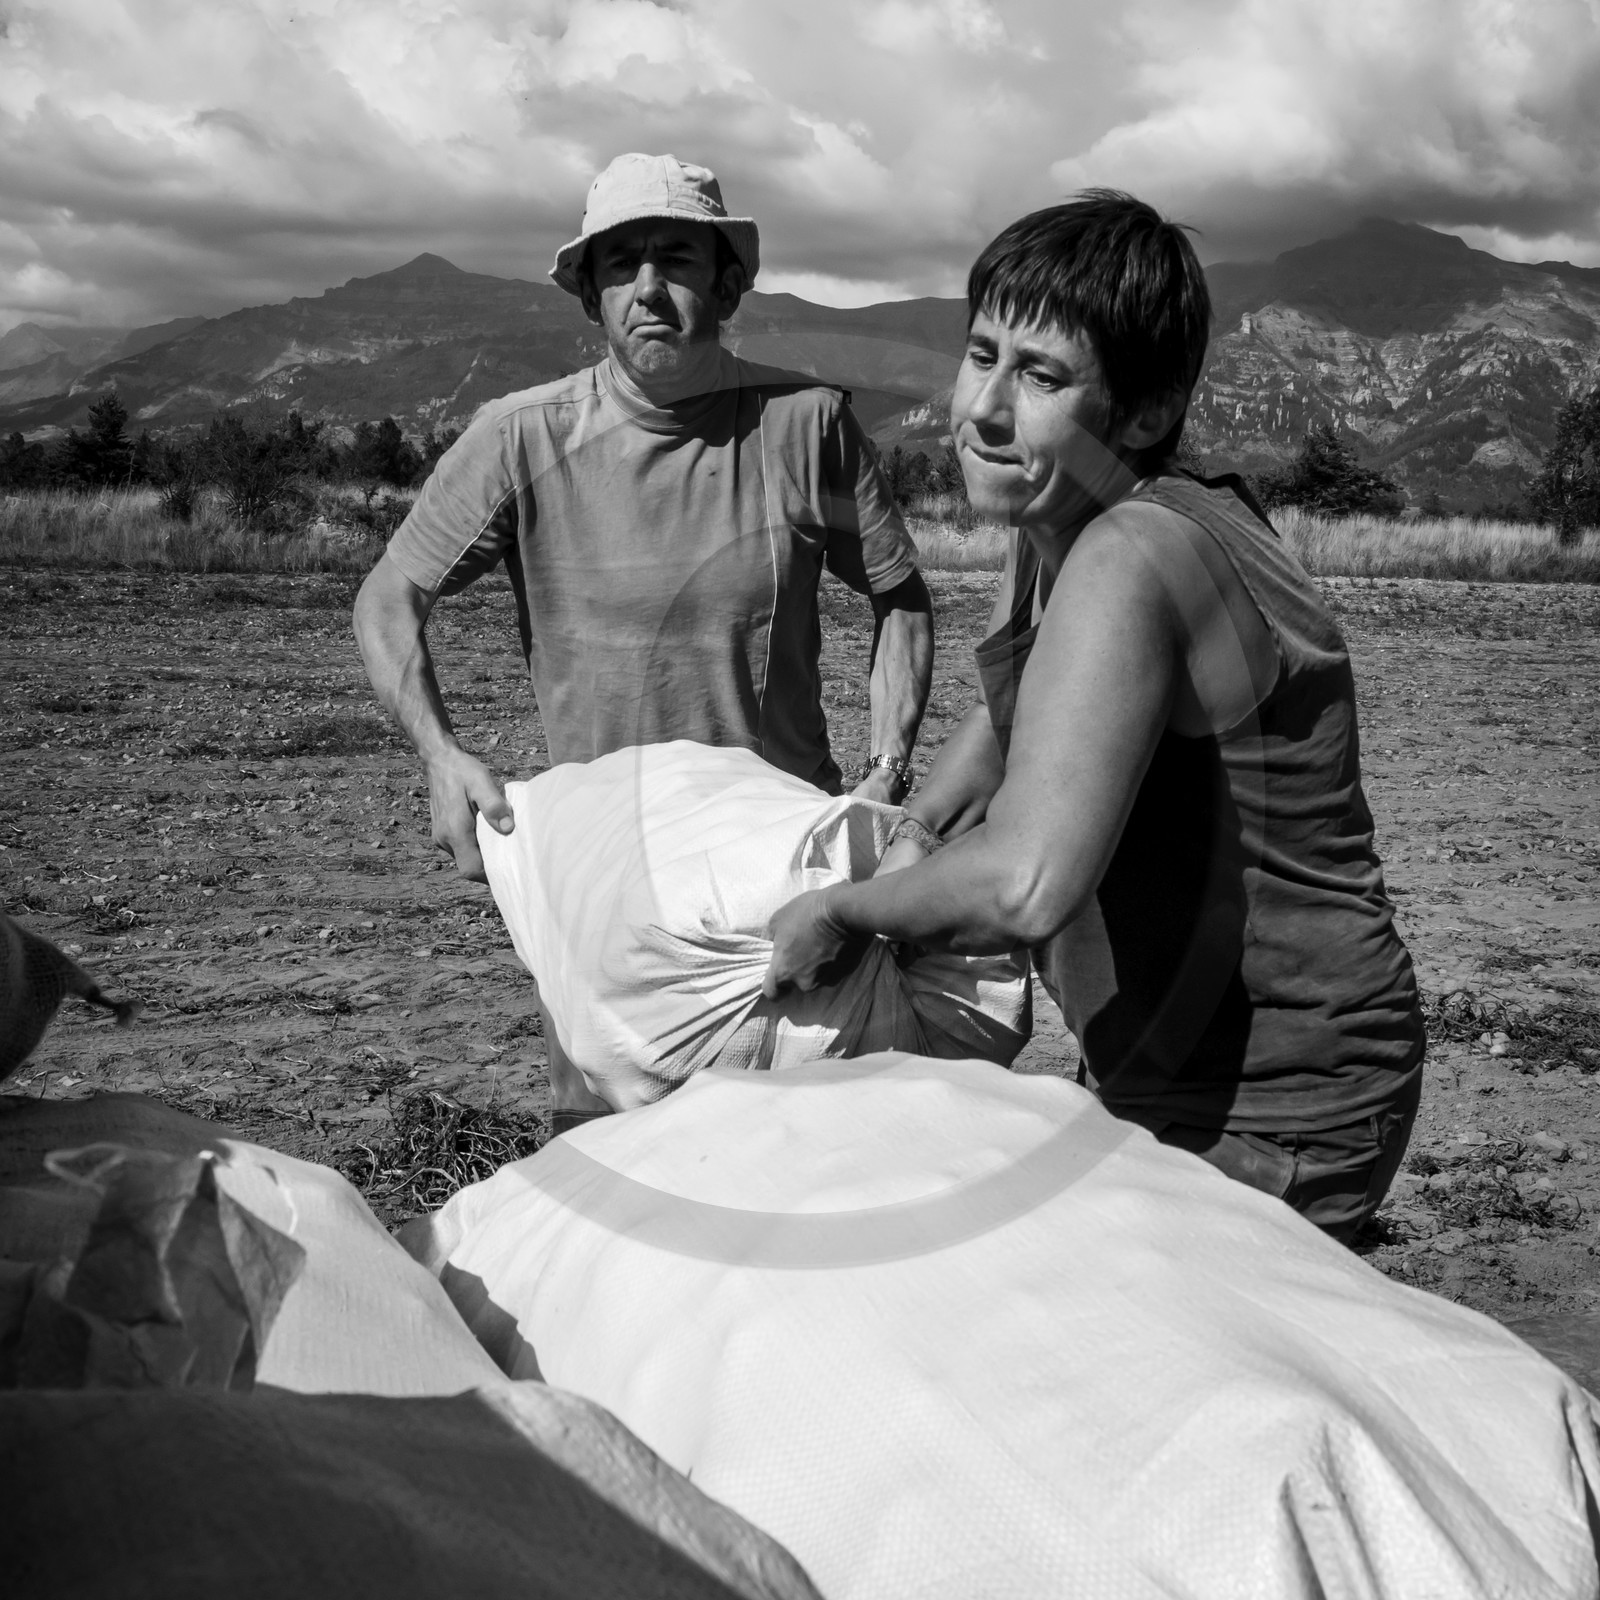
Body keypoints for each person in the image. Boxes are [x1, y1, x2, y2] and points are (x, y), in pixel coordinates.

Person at [764, 191, 1425, 1243]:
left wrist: (846, 912)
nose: (982, 407)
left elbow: (1029, 882)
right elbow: (1017, 705)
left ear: (1148, 410)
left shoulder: (1131, 552)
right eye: (981, 352)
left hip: (1273, 1087)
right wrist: (921, 822)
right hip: (1180, 1053)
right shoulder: (1061, 519)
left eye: (1040, 376)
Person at [355, 152, 933, 1132]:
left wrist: (886, 763)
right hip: (607, 877)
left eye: (675, 258)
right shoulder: (521, 438)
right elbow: (389, 594)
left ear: (728, 281)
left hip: (779, 876)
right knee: (614, 1170)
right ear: (590, 294)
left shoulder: (807, 425)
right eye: (620, 266)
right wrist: (440, 755)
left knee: (804, 1159)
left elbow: (901, 598)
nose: (649, 289)